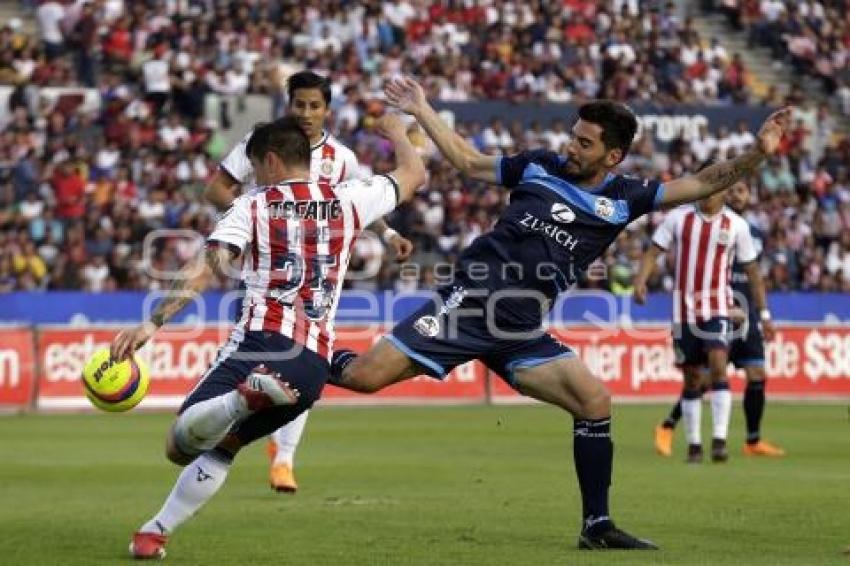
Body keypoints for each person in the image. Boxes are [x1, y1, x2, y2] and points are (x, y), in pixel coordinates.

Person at [327, 77, 790, 550]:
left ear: (613, 156)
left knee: (595, 401)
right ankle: (309, 354)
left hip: (522, 329)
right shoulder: (536, 168)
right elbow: (468, 161)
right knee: (363, 377)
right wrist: (422, 109)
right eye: (573, 135)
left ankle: (597, 525)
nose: (571, 146)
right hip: (468, 306)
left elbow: (701, 183)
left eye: (584, 142)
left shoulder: (625, 198)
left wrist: (757, 155)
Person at [112, 114, 426, 559]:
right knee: (227, 444)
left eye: (256, 167)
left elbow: (208, 266)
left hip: (261, 344)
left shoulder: (254, 205)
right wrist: (397, 133)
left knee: (179, 446)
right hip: (311, 366)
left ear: (273, 161)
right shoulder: (350, 199)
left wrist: (152, 323)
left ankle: (239, 400)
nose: (254, 177)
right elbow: (414, 175)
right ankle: (154, 532)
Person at [205, 70, 414, 493]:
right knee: (262, 354)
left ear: (327, 111)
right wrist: (252, 223)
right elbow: (216, 189)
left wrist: (389, 234)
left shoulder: (342, 159)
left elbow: (364, 204)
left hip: (317, 278)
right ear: (289, 105)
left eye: (313, 105)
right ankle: (219, 418)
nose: (305, 112)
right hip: (268, 270)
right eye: (298, 104)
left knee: (303, 359)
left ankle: (283, 458)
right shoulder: (260, 144)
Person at [633, 164, 771, 463]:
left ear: (723, 191)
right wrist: (641, 280)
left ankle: (719, 440)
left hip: (718, 308)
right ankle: (694, 445)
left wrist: (764, 313)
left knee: (718, 364)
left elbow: (753, 272)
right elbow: (654, 251)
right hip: (683, 311)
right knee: (693, 378)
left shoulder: (736, 226)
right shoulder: (678, 218)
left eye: (714, 185)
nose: (708, 191)